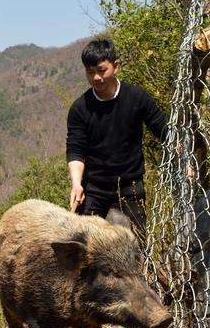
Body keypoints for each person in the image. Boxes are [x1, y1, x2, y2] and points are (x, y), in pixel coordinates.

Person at [66, 37, 168, 237]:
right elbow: (76, 149)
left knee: (137, 246)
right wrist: (76, 183)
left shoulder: (137, 98)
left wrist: (184, 159)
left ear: (116, 66)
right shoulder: (80, 108)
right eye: (90, 72)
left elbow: (164, 131)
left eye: (101, 70)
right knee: (83, 249)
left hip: (130, 187)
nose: (96, 77)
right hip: (93, 189)